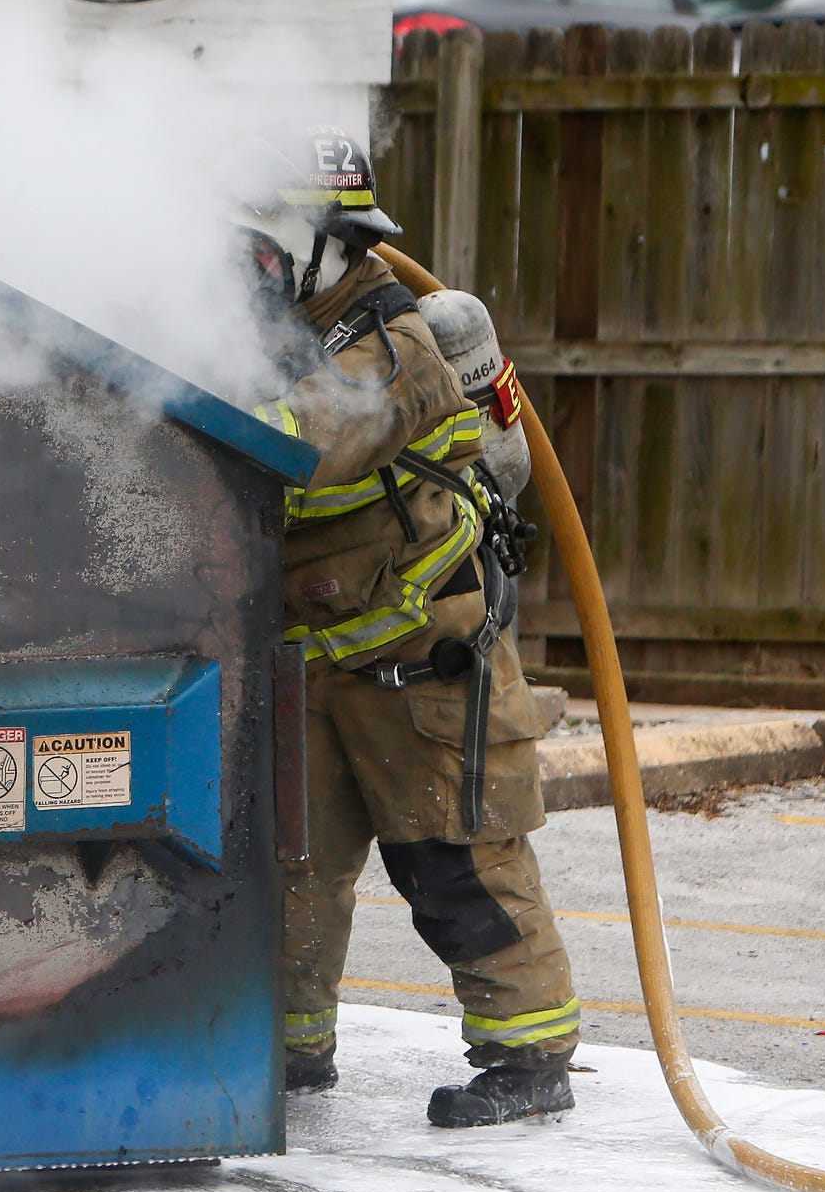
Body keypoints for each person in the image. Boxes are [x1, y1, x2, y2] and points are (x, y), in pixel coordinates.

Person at [238, 123, 578, 1128]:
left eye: (256, 250)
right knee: (293, 868)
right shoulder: (279, 330)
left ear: (322, 241)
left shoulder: (397, 344)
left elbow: (301, 440)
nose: (241, 273)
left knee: (456, 859)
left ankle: (528, 1059)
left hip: (422, 662)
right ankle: (289, 1053)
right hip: (317, 662)